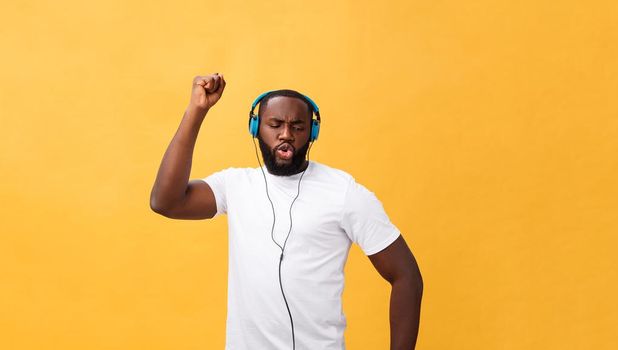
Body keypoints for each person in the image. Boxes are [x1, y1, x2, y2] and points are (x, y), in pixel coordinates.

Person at [150, 73, 423, 350]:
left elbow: (407, 276)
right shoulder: (234, 185)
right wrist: (196, 111)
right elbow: (166, 201)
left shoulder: (344, 193)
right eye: (275, 124)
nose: (286, 135)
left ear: (312, 133)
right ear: (256, 128)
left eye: (298, 127)